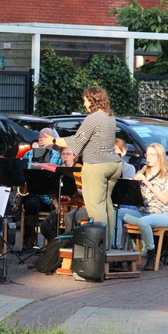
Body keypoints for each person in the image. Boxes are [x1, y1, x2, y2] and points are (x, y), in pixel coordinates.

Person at [39, 86, 123, 248]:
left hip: (97, 165)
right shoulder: (110, 117)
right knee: (107, 204)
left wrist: (53, 141)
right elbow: (93, 142)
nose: (84, 104)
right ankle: (111, 244)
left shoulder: (93, 118)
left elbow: (77, 141)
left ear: (92, 100)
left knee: (95, 206)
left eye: (85, 100)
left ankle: (100, 248)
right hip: (114, 164)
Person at [117, 143, 168, 271]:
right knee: (117, 212)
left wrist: (146, 182)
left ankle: (151, 253)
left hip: (160, 214)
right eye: (147, 154)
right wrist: (133, 185)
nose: (148, 158)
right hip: (142, 212)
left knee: (143, 221)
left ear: (160, 157)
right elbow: (130, 194)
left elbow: (165, 199)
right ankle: (116, 249)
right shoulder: (143, 171)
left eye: (151, 155)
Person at [20, 128, 62, 249]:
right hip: (35, 195)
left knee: (59, 211)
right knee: (30, 204)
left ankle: (52, 245)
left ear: (52, 141)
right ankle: (29, 242)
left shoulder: (58, 157)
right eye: (39, 138)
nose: (40, 140)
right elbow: (22, 175)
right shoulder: (29, 154)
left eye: (44, 138)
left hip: (51, 197)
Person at [39, 146, 84, 241]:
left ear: (74, 156)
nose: (65, 157)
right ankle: (56, 245)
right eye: (63, 154)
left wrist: (76, 190)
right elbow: (51, 191)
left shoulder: (82, 170)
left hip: (78, 205)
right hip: (63, 206)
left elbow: (88, 191)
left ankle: (66, 246)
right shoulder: (58, 170)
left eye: (68, 154)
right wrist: (56, 203)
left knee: (69, 220)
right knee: (45, 226)